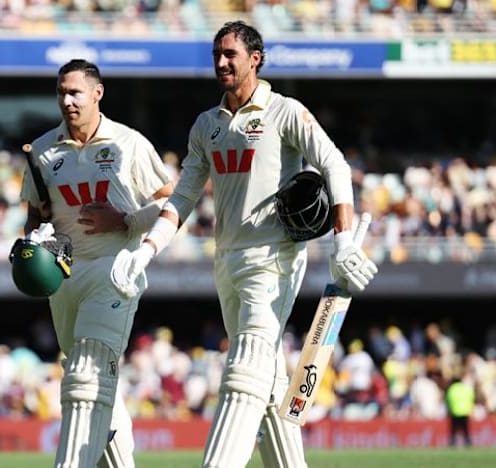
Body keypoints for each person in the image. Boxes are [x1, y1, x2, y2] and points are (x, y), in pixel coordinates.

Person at [110, 21, 377, 468]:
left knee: (245, 368)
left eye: (230, 54)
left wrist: (343, 241)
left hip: (273, 258)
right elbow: (182, 197)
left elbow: (335, 164)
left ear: (255, 58)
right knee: (269, 386)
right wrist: (146, 250)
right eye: (216, 54)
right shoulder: (206, 125)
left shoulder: (283, 111)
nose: (220, 63)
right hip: (227, 261)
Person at [19, 59, 174, 467]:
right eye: (61, 93)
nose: (67, 101)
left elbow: (171, 200)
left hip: (114, 268)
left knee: (85, 379)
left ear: (97, 94)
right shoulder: (42, 149)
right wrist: (32, 241)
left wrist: (125, 220)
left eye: (75, 93)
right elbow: (37, 213)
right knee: (95, 379)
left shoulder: (128, 143)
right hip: (64, 277)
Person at [445, 372, 475, 447]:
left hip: (455, 411)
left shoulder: (451, 388)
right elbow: (471, 398)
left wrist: (450, 409)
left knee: (454, 429)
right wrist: (469, 408)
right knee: (465, 429)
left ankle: (453, 443)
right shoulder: (466, 388)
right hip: (465, 411)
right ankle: (468, 442)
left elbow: (448, 400)